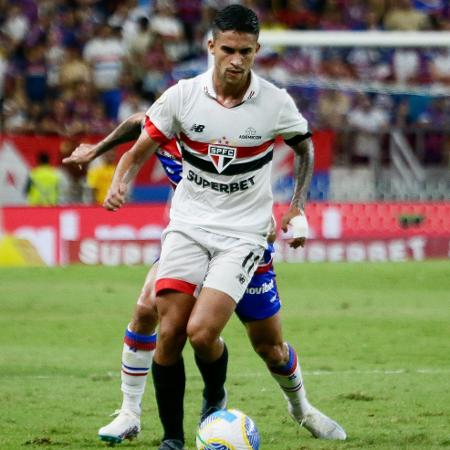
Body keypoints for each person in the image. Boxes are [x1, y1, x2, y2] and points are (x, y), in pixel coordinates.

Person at [65, 6, 346, 449]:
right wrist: (116, 175)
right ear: (211, 47)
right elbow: (137, 136)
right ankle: (166, 435)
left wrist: (296, 207)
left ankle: (287, 406)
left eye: (246, 52)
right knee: (164, 323)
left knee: (236, 339)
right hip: (188, 227)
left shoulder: (274, 102)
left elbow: (305, 146)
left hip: (245, 236)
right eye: (229, 50)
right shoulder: (182, 99)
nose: (237, 60)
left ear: (257, 51)